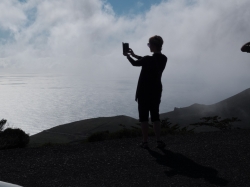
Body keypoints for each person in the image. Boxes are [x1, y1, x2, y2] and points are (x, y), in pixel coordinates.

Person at [123, 35, 168, 148]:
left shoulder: (148, 59)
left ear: (153, 45)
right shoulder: (163, 59)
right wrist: (134, 55)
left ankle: (145, 142)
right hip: (156, 90)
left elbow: (136, 63)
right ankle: (158, 141)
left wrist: (127, 56)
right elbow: (146, 60)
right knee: (155, 116)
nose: (148, 46)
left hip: (144, 91)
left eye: (149, 44)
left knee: (144, 118)